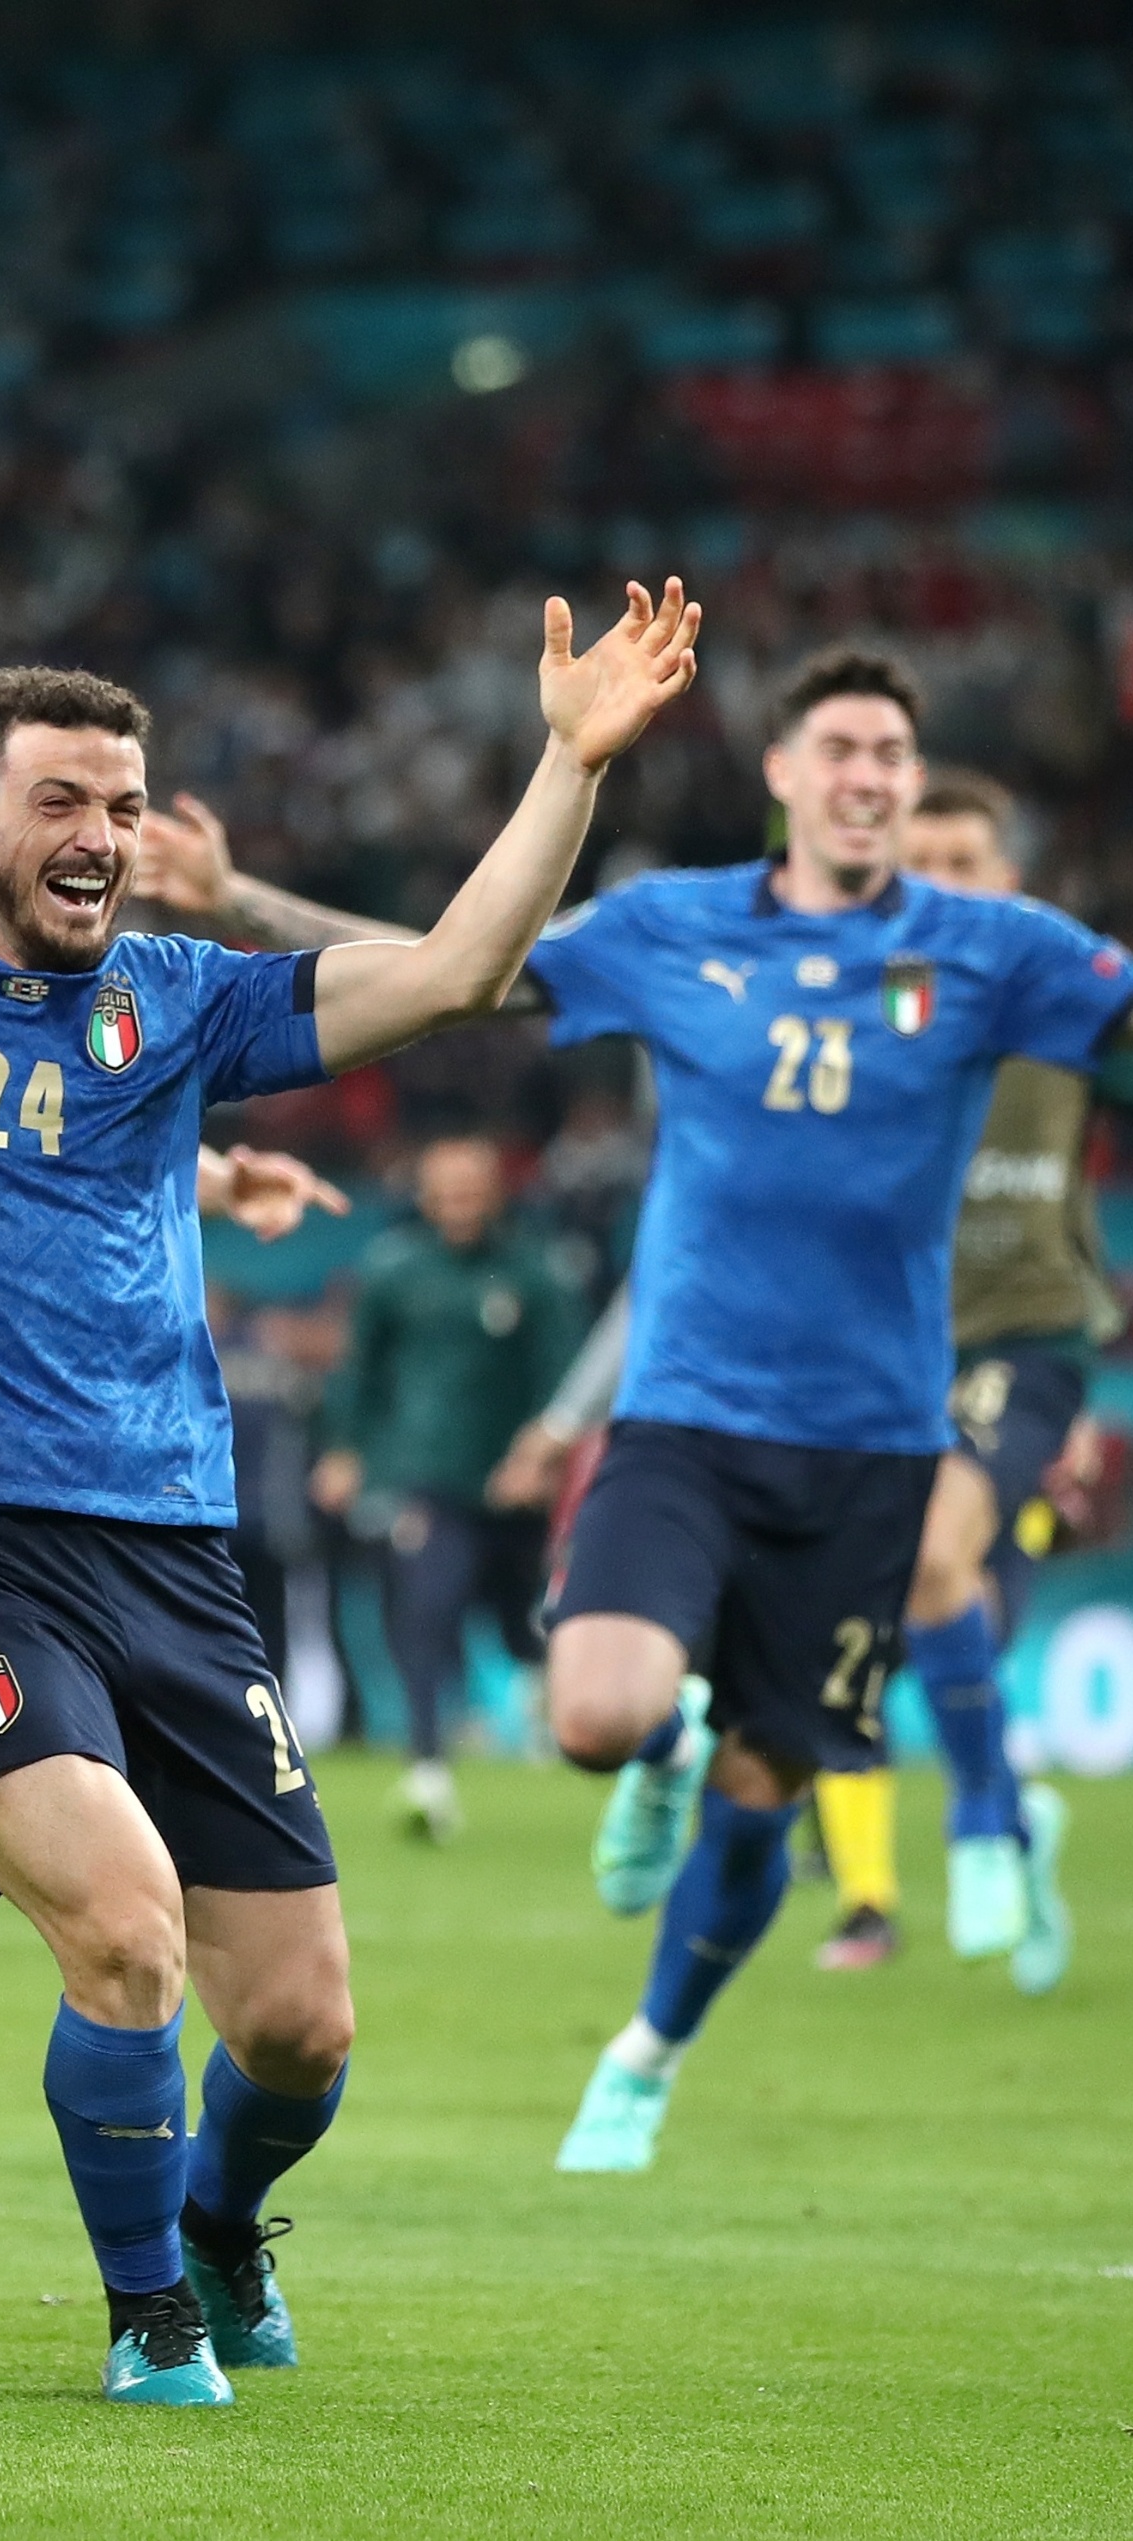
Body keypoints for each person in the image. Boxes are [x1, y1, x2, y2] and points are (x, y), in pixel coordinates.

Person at [0, 586, 699, 2403]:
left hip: (174, 1562)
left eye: (124, 806)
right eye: (60, 801)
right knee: (125, 1927)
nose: (100, 837)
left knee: (298, 2032)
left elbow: (459, 971)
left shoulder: (184, 1000)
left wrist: (564, 762)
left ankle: (219, 2223)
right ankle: (146, 2308)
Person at [167, 643, 1133, 2172]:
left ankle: (648, 2045)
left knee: (770, 1795)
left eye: (893, 750)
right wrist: (241, 906)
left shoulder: (990, 945)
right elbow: (459, 968)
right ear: (785, 774)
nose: (871, 776)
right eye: (843, 750)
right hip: (686, 1417)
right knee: (600, 1716)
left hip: (875, 1446)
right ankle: (661, 1750)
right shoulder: (678, 927)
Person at [867, 767, 1106, 1991]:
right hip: (887, 1352)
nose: (946, 889)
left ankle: (974, 1828)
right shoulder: (865, 1006)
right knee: (935, 1607)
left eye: (968, 865)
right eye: (924, 867)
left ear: (1008, 884)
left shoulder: (1068, 1002)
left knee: (931, 1562)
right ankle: (1012, 1817)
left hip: (1026, 1340)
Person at [307, 1134, 581, 1840]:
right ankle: (427, 1764)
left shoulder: (536, 1270)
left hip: (514, 1485)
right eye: (444, 1190)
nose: (457, 1204)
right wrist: (343, 1449)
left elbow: (565, 1374)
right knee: (425, 1608)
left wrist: (545, 1459)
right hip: (425, 1475)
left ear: (495, 1191)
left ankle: (549, 1726)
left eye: (470, 1189)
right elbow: (358, 1368)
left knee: (527, 1623)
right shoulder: (393, 1270)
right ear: (423, 1195)